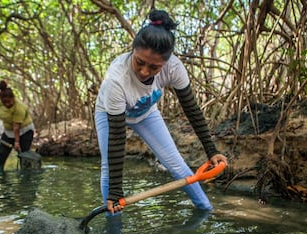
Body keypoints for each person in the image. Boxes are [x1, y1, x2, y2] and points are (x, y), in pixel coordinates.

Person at [94, 9, 227, 215]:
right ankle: (113, 226)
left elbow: (191, 109)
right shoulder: (116, 80)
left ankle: (207, 212)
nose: (145, 72)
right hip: (108, 113)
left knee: (177, 164)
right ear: (133, 50)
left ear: (165, 62)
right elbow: (117, 138)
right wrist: (115, 192)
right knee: (108, 170)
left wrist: (211, 150)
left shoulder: (174, 67)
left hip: (146, 114)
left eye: (154, 67)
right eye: (140, 62)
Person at [0, 80, 35, 173]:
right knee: (2, 154)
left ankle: (27, 174)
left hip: (25, 132)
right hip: (8, 132)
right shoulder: (0, 105)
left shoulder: (19, 108)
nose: (7, 104)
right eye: (4, 102)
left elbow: (16, 127)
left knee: (24, 154)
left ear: (13, 98)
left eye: (9, 102)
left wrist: (17, 142)